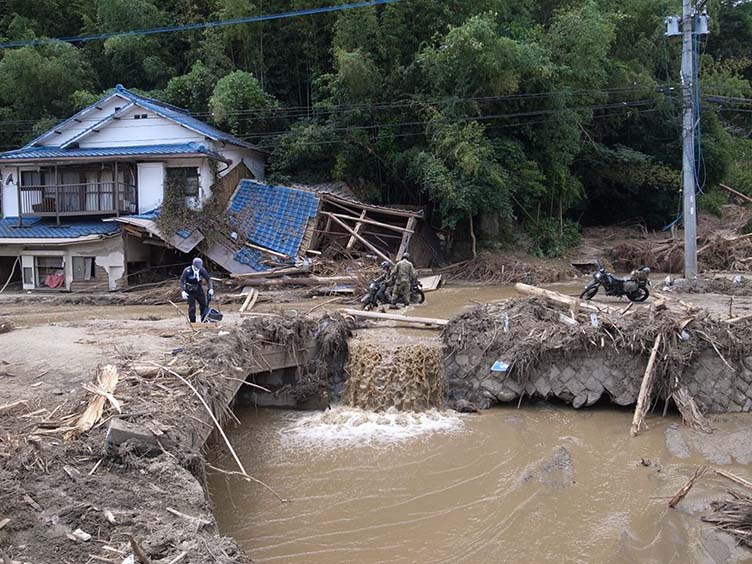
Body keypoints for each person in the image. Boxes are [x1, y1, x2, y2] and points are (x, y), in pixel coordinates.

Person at [180, 257, 214, 322]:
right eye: (196, 267)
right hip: (189, 290)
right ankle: (193, 322)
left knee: (204, 305)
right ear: (193, 265)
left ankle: (204, 320)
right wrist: (182, 291)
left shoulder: (201, 270)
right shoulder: (187, 270)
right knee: (192, 307)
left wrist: (210, 288)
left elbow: (208, 279)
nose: (198, 268)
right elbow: (181, 280)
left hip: (198, 289)